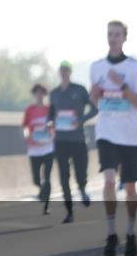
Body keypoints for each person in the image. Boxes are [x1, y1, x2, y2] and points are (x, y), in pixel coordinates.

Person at [90, 20, 137, 256]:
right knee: (110, 180)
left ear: (125, 38)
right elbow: (96, 101)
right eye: (109, 34)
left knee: (131, 187)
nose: (112, 38)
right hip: (106, 130)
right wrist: (96, 96)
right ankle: (112, 232)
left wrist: (122, 85)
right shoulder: (96, 67)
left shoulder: (136, 68)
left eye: (117, 34)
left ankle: (132, 232)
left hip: (131, 134)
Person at [49, 61, 97, 223]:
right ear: (59, 72)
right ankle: (69, 212)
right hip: (61, 140)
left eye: (66, 70)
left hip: (78, 139)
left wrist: (81, 120)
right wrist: (50, 123)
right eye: (61, 70)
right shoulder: (54, 93)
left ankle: (82, 189)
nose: (64, 73)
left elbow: (94, 109)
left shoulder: (79, 89)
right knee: (64, 177)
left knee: (80, 173)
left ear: (70, 72)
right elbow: (50, 115)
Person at [22, 83, 54, 214]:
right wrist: (27, 136)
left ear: (45, 95)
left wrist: (50, 131)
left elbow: (55, 124)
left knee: (47, 176)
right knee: (36, 179)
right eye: (37, 93)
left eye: (42, 93)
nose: (39, 96)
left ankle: (46, 206)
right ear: (34, 95)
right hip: (34, 149)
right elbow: (24, 127)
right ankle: (41, 190)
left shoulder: (50, 109)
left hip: (48, 148)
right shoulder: (29, 110)